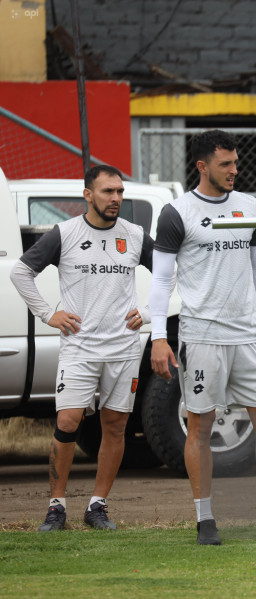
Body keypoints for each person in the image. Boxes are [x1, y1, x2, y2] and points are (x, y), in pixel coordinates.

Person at [148, 129, 256, 545]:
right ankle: (205, 520)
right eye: (225, 164)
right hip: (201, 336)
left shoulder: (249, 206)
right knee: (199, 427)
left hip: (250, 335)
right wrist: (158, 337)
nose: (235, 170)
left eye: (236, 162)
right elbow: (161, 280)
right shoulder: (176, 213)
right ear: (202, 166)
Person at [10, 165, 153, 532]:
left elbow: (176, 273)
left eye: (120, 192)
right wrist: (48, 314)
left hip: (123, 349)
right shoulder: (65, 233)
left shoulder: (135, 235)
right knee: (67, 421)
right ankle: (56, 508)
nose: (116, 198)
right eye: (108, 191)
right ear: (88, 195)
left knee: (115, 426)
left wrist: (149, 311)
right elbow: (20, 272)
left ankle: (97, 506)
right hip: (80, 349)